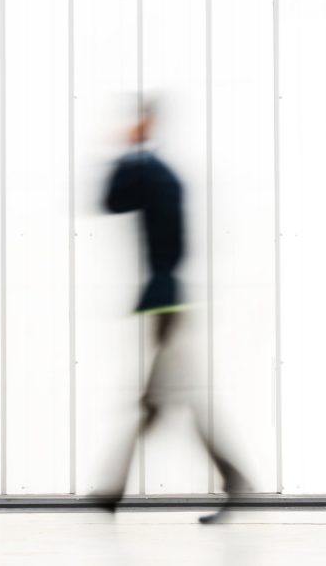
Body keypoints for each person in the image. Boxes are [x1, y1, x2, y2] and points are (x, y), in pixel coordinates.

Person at [94, 104, 249, 522]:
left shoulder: (156, 174)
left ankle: (236, 481)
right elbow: (114, 203)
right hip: (168, 301)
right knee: (161, 403)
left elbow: (110, 201)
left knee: (162, 403)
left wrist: (128, 155)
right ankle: (111, 492)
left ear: (146, 123)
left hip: (167, 302)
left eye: (133, 121)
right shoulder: (155, 173)